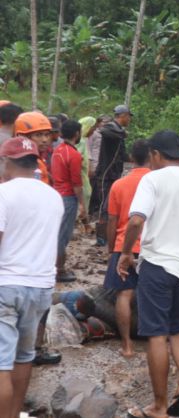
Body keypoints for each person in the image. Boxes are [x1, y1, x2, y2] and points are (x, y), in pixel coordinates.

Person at [117, 130, 179, 418]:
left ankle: (159, 407)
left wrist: (126, 252)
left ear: (156, 154)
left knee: (156, 335)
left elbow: (135, 220)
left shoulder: (152, 179)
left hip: (158, 264)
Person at [0, 137, 64, 417]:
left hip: (7, 285)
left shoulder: (4, 193)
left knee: (2, 363)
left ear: (6, 161)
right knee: (24, 357)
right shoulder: (53, 196)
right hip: (40, 287)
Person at [104, 140, 151, 359]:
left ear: (131, 158)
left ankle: (127, 346)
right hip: (151, 247)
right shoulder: (155, 183)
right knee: (153, 294)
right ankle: (155, 341)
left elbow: (112, 221)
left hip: (124, 245)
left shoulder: (119, 184)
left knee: (123, 295)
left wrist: (112, 247)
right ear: (151, 157)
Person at [51, 119, 86, 283]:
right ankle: (59, 270)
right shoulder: (74, 154)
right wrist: (82, 205)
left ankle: (55, 266)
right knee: (63, 235)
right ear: (77, 134)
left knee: (56, 233)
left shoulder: (57, 151)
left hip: (56, 195)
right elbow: (77, 184)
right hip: (67, 198)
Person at [94, 105, 132, 238]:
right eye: (129, 117)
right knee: (105, 204)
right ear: (123, 116)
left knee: (111, 203)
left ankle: (106, 234)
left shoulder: (119, 130)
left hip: (115, 172)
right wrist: (122, 134)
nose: (129, 120)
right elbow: (103, 130)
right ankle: (101, 236)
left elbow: (121, 154)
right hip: (106, 172)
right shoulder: (111, 127)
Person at [14, 112, 53, 185]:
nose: (44, 140)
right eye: (38, 135)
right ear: (22, 136)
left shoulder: (38, 159)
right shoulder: (26, 163)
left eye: (47, 135)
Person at [87, 115, 109, 220]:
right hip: (94, 164)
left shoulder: (106, 134)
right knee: (92, 187)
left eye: (107, 122)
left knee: (98, 188)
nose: (105, 124)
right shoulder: (93, 134)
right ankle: (91, 210)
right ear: (98, 123)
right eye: (103, 122)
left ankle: (96, 210)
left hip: (101, 164)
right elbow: (89, 148)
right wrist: (91, 165)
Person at [77, 117, 97, 225]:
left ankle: (82, 222)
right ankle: (80, 222)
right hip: (79, 176)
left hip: (84, 175)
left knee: (87, 194)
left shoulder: (84, 140)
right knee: (82, 196)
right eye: (92, 128)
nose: (93, 130)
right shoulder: (79, 141)